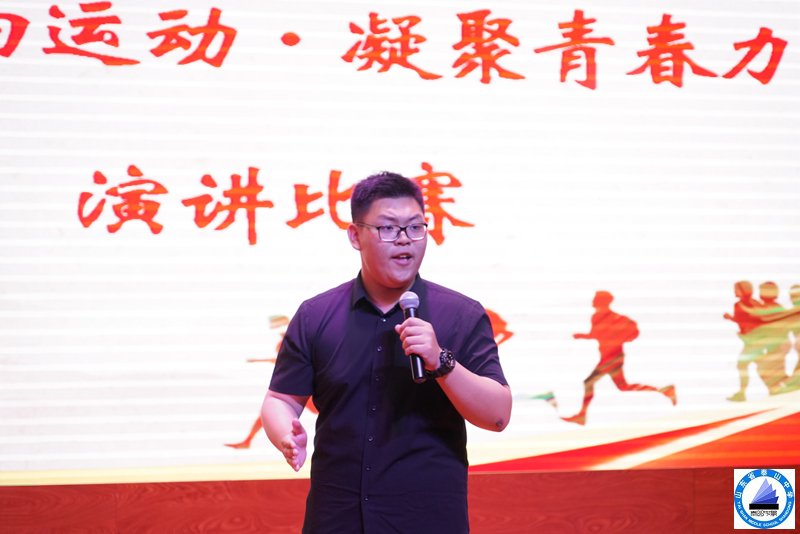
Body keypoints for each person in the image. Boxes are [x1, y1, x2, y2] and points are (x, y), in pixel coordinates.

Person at [260, 171, 511, 533]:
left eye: (415, 227)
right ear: (355, 235)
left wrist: (442, 362)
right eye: (389, 228)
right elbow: (280, 399)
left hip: (427, 520)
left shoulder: (462, 315)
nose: (404, 239)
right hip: (337, 519)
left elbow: (498, 415)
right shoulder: (316, 315)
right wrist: (285, 432)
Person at [561, 290, 676, 425]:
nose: (593, 301)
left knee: (589, 383)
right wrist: (582, 336)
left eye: (595, 299)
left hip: (613, 357)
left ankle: (581, 416)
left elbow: (633, 332)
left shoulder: (616, 318)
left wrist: (620, 338)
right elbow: (596, 335)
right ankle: (664, 390)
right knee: (623, 387)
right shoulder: (596, 317)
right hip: (607, 356)